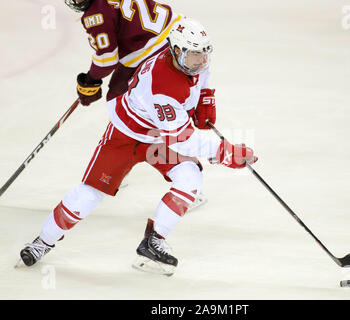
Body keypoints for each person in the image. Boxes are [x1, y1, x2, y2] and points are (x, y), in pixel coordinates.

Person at [18, 18, 257, 276]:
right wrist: (225, 152)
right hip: (126, 136)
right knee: (89, 195)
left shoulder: (189, 59)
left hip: (157, 134)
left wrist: (206, 98)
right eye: (194, 55)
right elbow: (183, 138)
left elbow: (203, 75)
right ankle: (42, 241)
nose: (200, 61)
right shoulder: (162, 86)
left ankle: (153, 242)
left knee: (190, 177)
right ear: (176, 51)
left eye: (203, 53)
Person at [66, 0, 206, 209]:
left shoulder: (96, 12)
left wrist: (91, 80)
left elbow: (106, 60)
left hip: (149, 53)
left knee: (122, 101)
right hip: (178, 41)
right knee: (148, 108)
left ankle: (185, 181)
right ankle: (185, 180)